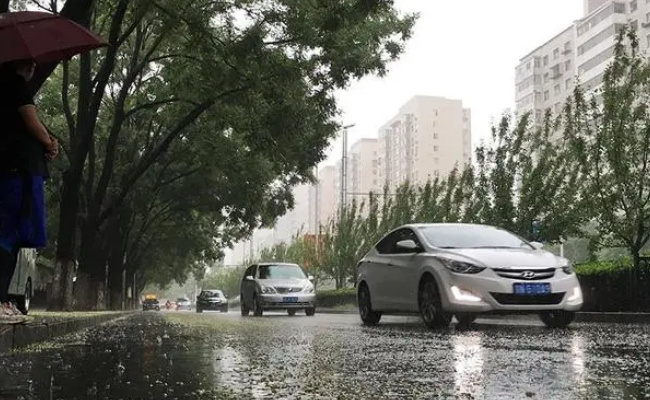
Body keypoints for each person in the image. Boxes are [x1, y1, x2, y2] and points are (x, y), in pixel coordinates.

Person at [0, 59, 58, 321]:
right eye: (32, 62)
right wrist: (49, 143)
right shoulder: (16, 86)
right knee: (8, 235)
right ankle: (1, 301)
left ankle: (4, 300)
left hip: (9, 169)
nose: (35, 66)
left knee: (8, 235)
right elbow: (32, 123)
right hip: (18, 172)